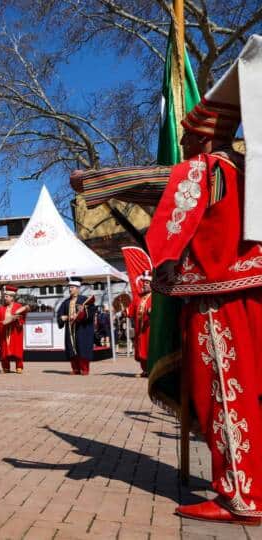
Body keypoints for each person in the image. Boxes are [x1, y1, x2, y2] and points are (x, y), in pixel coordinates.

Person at [70, 39, 262, 522]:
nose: (185, 143)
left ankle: (242, 494)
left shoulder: (208, 167)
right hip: (249, 293)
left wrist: (99, 182)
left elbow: (164, 187)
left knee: (223, 392)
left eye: (189, 135)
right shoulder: (247, 172)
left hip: (218, 300)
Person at [56, 278, 95, 376]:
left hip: (82, 329)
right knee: (71, 348)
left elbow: (91, 313)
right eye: (69, 287)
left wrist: (82, 313)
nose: (70, 290)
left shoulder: (85, 300)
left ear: (78, 288)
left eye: (72, 287)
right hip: (70, 329)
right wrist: (62, 318)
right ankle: (75, 368)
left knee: (82, 348)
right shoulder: (66, 302)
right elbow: (60, 314)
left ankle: (84, 369)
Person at [0, 286, 27, 374]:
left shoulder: (18, 306)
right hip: (4, 332)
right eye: (4, 296)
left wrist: (17, 318)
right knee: (4, 349)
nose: (5, 298)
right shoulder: (2, 308)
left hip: (15, 331)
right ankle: (5, 367)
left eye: (6, 296)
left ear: (12, 297)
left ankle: (19, 367)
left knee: (17, 348)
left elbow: (23, 316)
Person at [125, 272, 152, 377]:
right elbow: (130, 312)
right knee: (141, 350)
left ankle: (152, 371)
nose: (145, 284)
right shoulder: (138, 298)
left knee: (149, 349)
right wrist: (122, 308)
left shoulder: (156, 298)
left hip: (149, 329)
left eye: (147, 282)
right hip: (139, 330)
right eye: (144, 282)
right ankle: (145, 370)